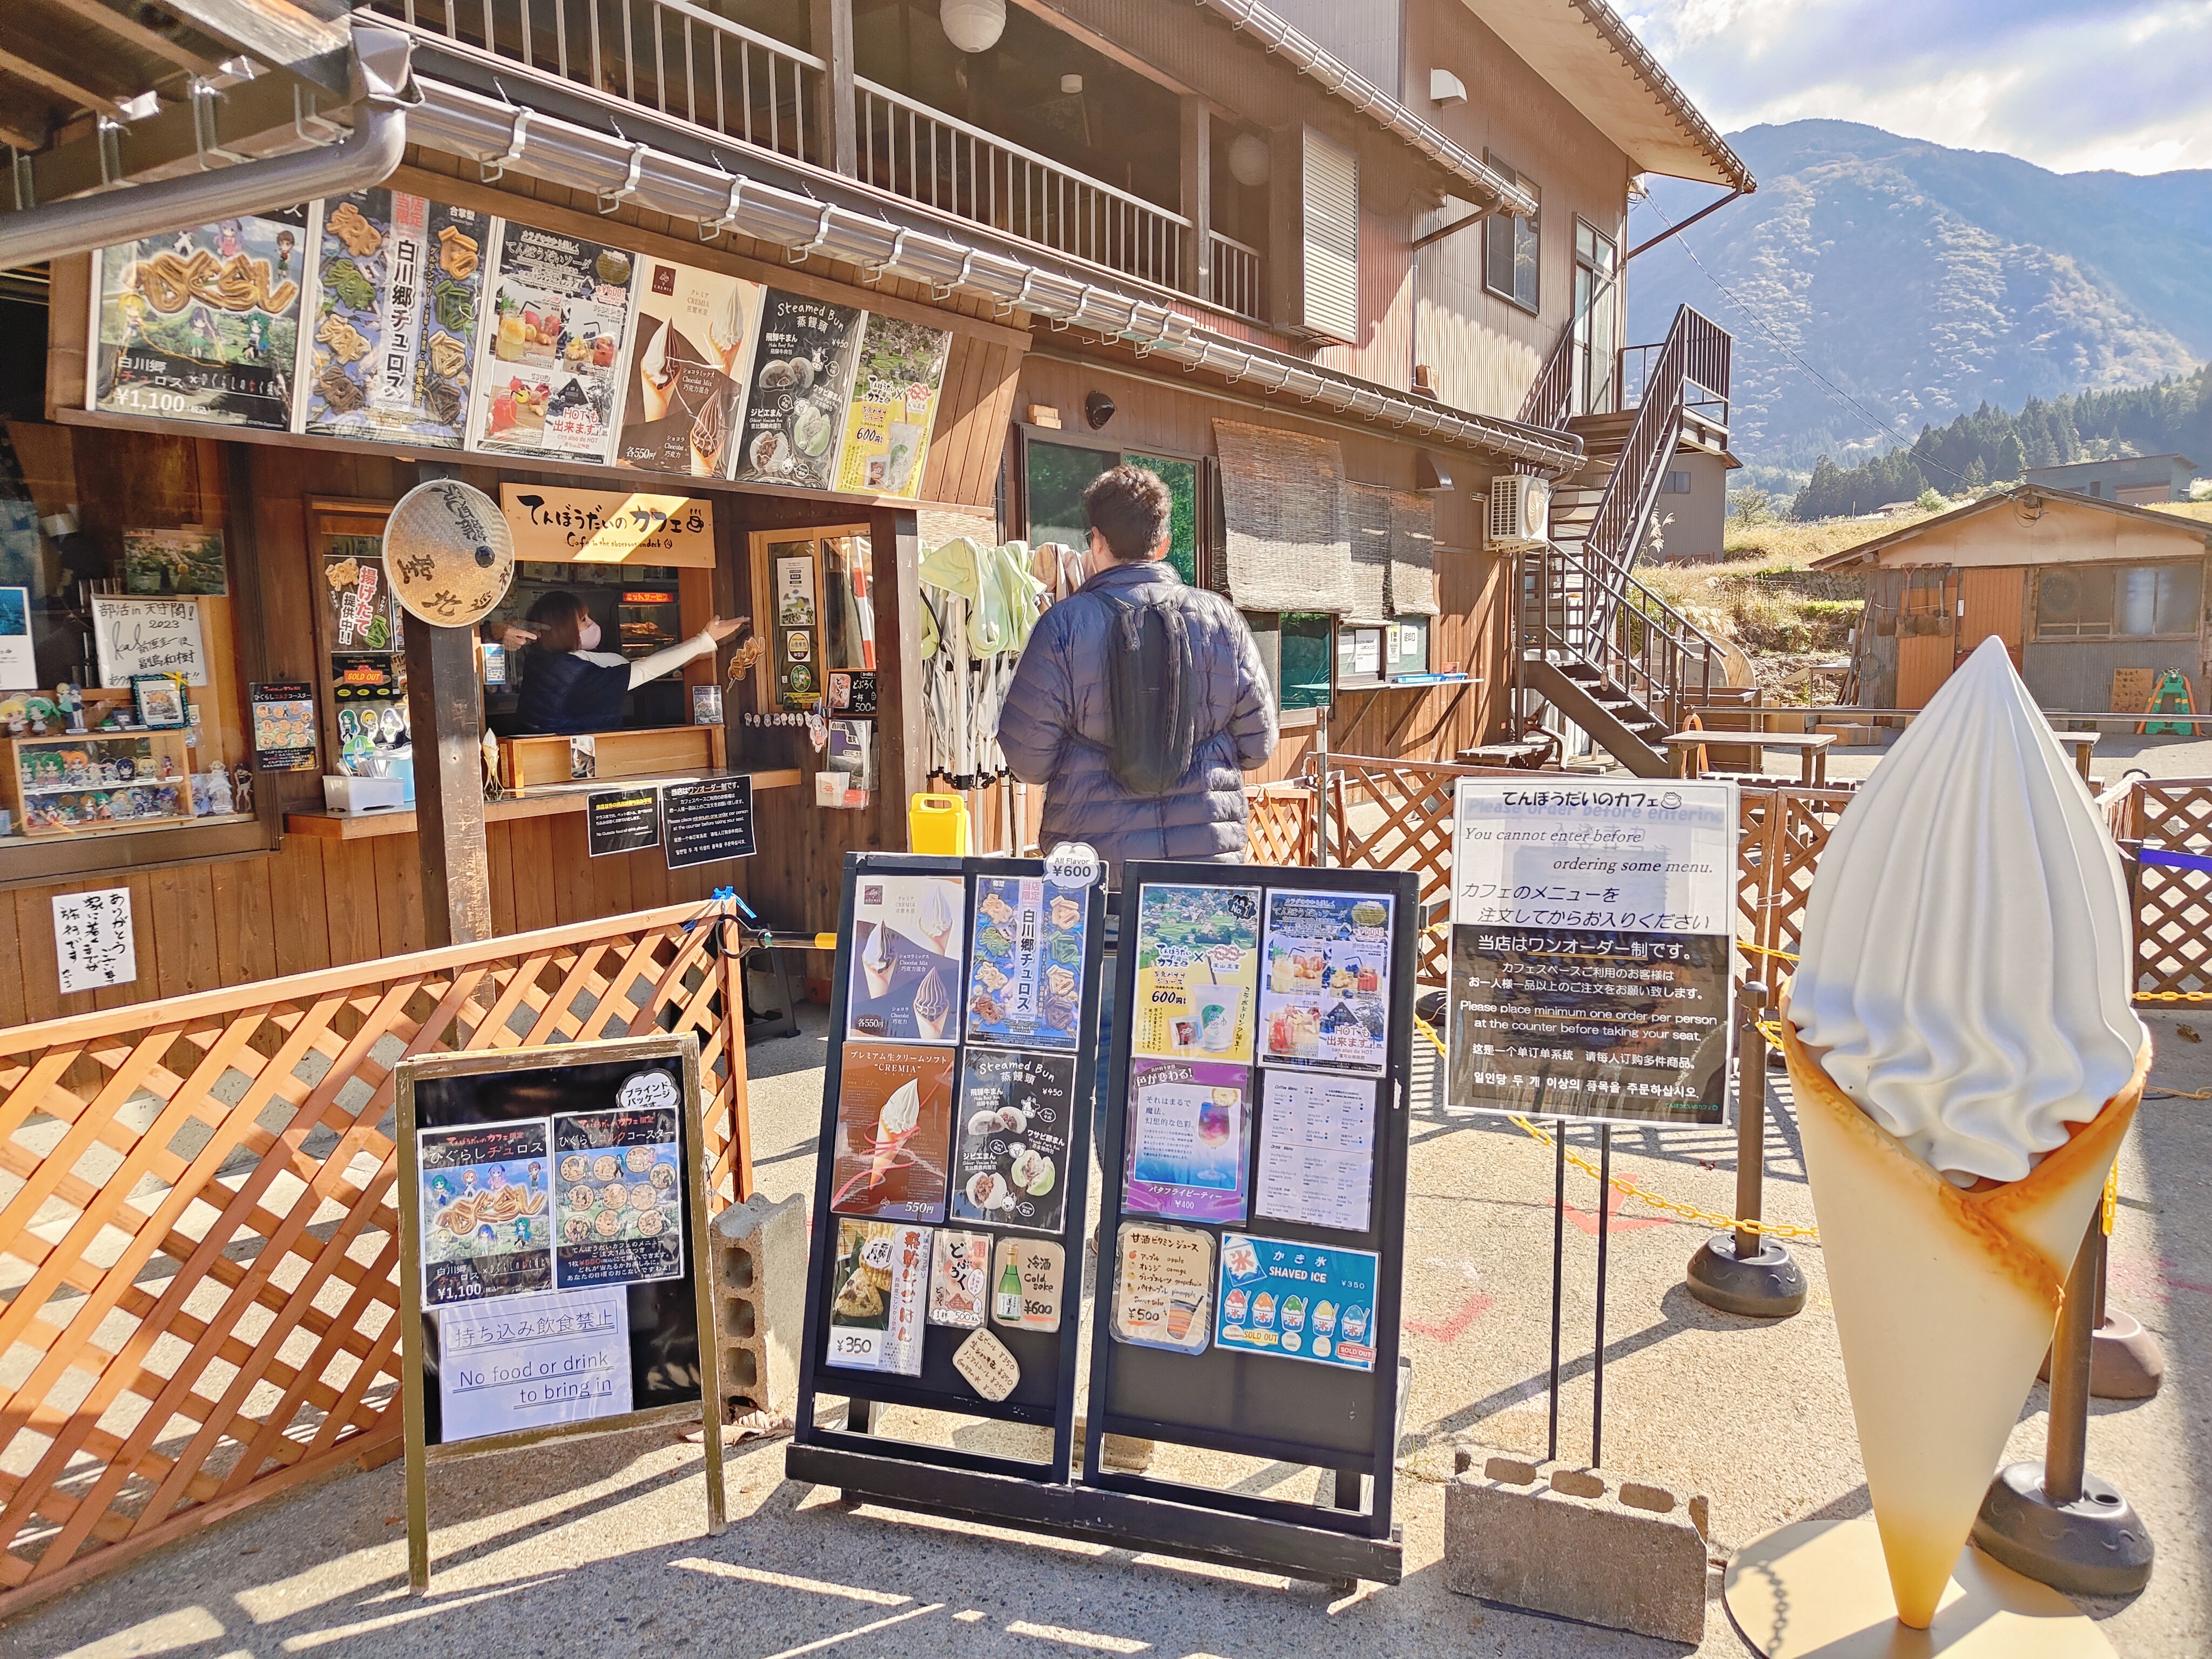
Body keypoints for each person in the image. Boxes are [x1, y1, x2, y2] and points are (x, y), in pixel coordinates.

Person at [997, 464, 1277, 880]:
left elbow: (1028, 761)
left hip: (1096, 866)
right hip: (1205, 859)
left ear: (1097, 541)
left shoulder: (1063, 627)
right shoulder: (1221, 620)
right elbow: (1259, 746)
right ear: (1163, 544)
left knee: (1097, 947)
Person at [511, 591, 746, 735]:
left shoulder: (545, 662)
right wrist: (702, 641)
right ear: (563, 630)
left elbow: (619, 664)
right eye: (584, 621)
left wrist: (694, 652)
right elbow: (643, 671)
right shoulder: (573, 677)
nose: (593, 624)